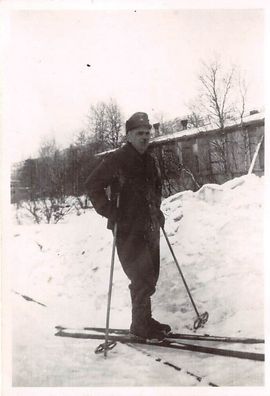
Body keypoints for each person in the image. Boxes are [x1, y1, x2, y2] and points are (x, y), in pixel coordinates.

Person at [85, 112, 171, 342]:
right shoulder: (116, 160)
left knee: (150, 275)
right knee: (140, 275)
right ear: (129, 135)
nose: (145, 137)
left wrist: (157, 208)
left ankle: (144, 320)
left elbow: (156, 187)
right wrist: (110, 211)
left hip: (150, 225)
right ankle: (139, 325)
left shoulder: (150, 160)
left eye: (147, 133)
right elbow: (92, 185)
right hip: (128, 228)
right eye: (139, 134)